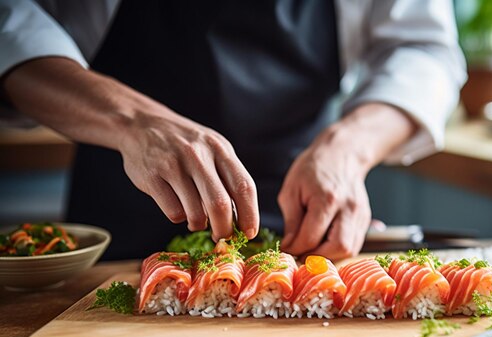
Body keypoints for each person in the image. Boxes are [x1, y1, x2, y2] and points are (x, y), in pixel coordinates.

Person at [0, 0, 466, 260]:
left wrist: (349, 149)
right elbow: (12, 23)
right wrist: (131, 120)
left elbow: (424, 50)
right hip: (119, 215)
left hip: (305, 214)